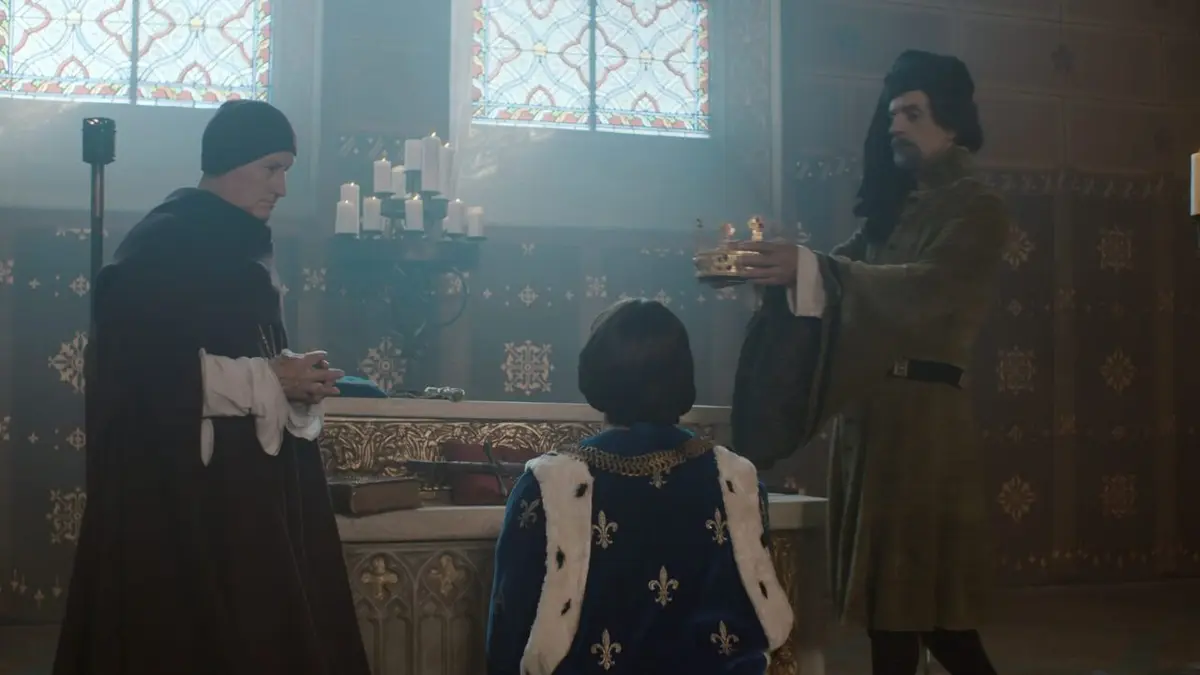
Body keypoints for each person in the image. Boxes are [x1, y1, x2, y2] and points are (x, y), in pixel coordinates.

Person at [53, 100, 371, 675]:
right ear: (230, 159)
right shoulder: (164, 243)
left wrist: (290, 378)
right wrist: (267, 378)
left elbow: (237, 347)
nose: (281, 187)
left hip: (245, 490)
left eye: (286, 171)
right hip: (181, 499)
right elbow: (136, 371)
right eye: (271, 168)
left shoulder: (239, 241)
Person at [721, 51, 1008, 675]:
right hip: (873, 424)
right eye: (892, 114)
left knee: (923, 614)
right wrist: (775, 273)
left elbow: (929, 288)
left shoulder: (977, 208)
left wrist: (813, 268)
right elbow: (834, 277)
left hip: (926, 431)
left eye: (912, 114)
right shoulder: (893, 208)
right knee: (898, 611)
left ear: (951, 121)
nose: (894, 126)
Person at [485, 299, 794, 675]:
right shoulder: (736, 479)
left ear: (596, 373)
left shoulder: (548, 486)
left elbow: (510, 629)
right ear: (683, 375)